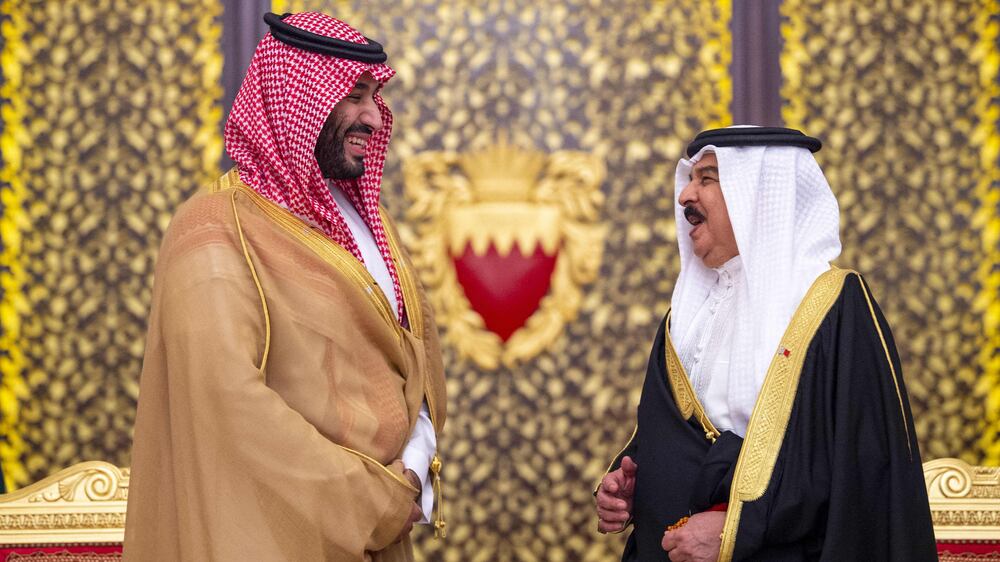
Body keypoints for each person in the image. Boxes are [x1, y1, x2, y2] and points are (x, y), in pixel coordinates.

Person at [124, 12, 446, 562]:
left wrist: (414, 468)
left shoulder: (370, 225)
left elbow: (413, 363)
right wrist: (377, 497)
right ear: (296, 101)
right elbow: (229, 410)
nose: (374, 115)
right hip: (268, 537)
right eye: (356, 95)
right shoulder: (211, 231)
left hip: (387, 529)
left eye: (375, 95)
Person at [595, 126, 937, 561]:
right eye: (690, 179)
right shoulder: (686, 315)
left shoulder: (834, 305)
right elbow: (674, 433)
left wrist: (738, 527)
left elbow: (862, 470)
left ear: (756, 195)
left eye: (708, 180)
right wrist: (630, 485)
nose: (685, 197)